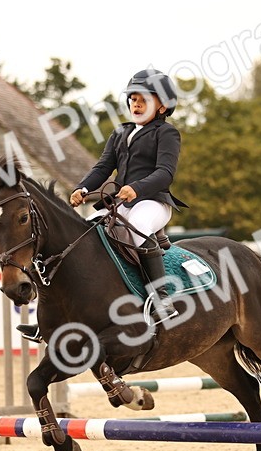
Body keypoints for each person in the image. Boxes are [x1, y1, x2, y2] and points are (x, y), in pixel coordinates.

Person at [70, 68, 187, 324]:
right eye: (133, 99)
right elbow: (103, 168)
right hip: (121, 203)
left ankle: (162, 300)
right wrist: (83, 188)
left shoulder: (166, 133)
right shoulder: (120, 133)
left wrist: (137, 188)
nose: (136, 104)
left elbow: (165, 173)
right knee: (85, 232)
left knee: (139, 225)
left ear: (163, 106)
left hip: (153, 202)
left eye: (144, 100)